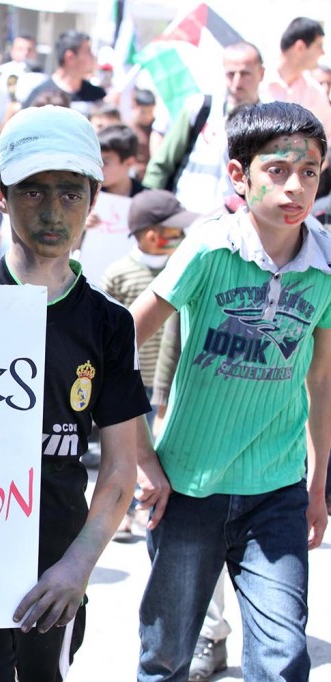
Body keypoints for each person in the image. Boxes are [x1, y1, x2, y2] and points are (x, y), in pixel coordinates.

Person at [0, 104, 149, 680]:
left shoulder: (108, 323)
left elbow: (120, 471)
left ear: (94, 200)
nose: (52, 212)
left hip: (57, 573)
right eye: (32, 192)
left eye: (70, 194)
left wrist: (78, 567)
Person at [131, 101, 331, 682]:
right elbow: (117, 349)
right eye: (278, 170)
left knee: (280, 658)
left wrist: (317, 485)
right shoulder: (208, 249)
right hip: (189, 491)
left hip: (277, 493)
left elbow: (320, 378)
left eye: (311, 171)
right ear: (239, 176)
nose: (296, 186)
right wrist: (142, 459)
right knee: (166, 655)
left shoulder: (324, 268)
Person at [101, 190, 197, 541]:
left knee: (155, 445)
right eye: (174, 231)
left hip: (165, 378)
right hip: (127, 379)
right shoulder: (118, 272)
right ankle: (123, 513)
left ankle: (147, 506)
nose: (180, 238)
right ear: (150, 234)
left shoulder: (182, 271)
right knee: (126, 450)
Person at [144, 42, 266, 215]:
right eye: (231, 74)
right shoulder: (200, 108)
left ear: (261, 74)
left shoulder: (269, 122)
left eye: (245, 74)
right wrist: (149, 208)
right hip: (187, 217)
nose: (237, 82)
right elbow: (162, 163)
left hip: (237, 222)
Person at [262, 17, 331, 137]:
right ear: (300, 47)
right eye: (319, 46)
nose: (322, 52)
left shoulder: (315, 92)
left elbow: (328, 137)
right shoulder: (258, 82)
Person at [24, 31, 105, 116]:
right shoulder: (40, 95)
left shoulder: (97, 95)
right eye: (88, 51)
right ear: (70, 57)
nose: (93, 56)